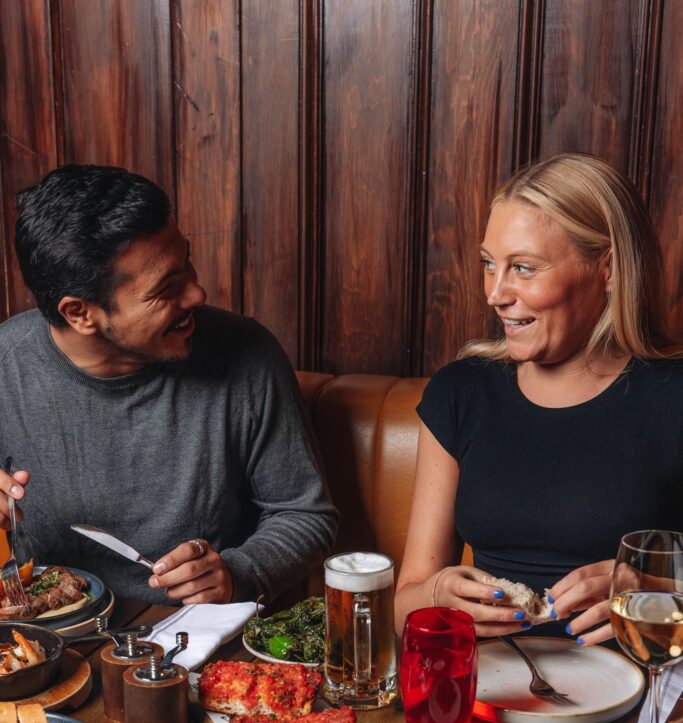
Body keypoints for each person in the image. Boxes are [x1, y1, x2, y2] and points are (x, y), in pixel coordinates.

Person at [0, 164, 337, 605]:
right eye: (166, 289)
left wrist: (238, 573)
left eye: (187, 264)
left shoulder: (245, 351)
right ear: (80, 313)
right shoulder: (7, 364)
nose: (196, 294)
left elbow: (306, 515)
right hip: (49, 640)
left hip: (195, 638)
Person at [396, 152, 683, 646]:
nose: (495, 293)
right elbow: (406, 602)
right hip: (487, 691)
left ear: (608, 270)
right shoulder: (460, 392)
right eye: (490, 264)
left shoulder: (673, 395)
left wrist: (658, 590)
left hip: (642, 696)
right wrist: (438, 592)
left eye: (524, 268)